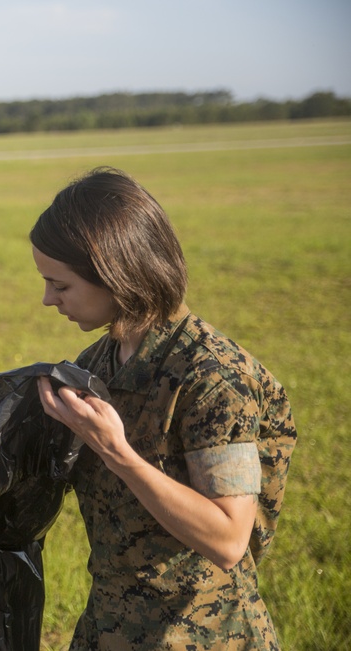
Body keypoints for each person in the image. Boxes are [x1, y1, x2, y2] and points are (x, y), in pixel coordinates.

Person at [29, 167, 296, 649]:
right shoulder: (99, 362)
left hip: (204, 633)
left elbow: (229, 539)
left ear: (115, 274)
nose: (48, 299)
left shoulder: (213, 377)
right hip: (109, 627)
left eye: (60, 285)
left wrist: (119, 453)